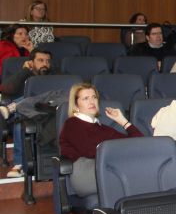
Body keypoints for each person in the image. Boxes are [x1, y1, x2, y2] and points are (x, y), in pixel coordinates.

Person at [58, 83, 144, 197]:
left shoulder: (102, 128)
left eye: (94, 97)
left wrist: (123, 121)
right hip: (86, 173)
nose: (91, 101)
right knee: (139, 173)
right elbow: (90, 151)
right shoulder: (72, 124)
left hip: (108, 167)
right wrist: (121, 151)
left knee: (143, 167)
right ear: (76, 105)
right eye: (85, 98)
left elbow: (140, 143)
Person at [1, 48, 54, 177]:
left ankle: (15, 106)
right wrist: (25, 71)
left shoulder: (55, 77)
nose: (45, 64)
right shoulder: (24, 75)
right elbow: (5, 89)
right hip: (26, 117)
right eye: (40, 60)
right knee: (22, 117)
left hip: (49, 114)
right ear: (31, 62)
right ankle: (19, 164)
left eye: (47, 61)